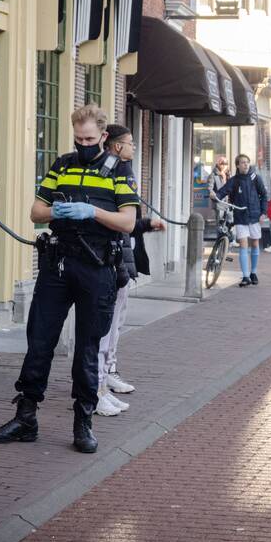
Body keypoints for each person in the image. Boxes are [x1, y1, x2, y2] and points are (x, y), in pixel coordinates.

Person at [0, 104, 139, 453]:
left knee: (87, 346)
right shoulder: (62, 165)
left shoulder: (118, 171)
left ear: (103, 136)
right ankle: (26, 417)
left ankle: (83, 421)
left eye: (89, 138)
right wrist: (58, 211)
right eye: (78, 138)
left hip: (97, 266)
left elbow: (128, 221)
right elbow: (36, 212)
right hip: (57, 263)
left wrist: (93, 212)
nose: (83, 144)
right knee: (39, 341)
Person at [94, 125, 166, 417]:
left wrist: (146, 224)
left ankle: (106, 377)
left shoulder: (125, 171)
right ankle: (96, 389)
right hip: (111, 258)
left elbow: (126, 217)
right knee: (103, 327)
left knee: (115, 324)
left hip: (123, 256)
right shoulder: (111, 172)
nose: (134, 147)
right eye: (130, 143)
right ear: (115, 146)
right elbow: (114, 219)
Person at [216, 154, 268, 287]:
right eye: (242, 162)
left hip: (255, 215)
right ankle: (245, 276)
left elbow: (264, 195)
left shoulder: (255, 178)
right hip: (240, 216)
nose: (245, 164)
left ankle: (253, 272)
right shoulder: (234, 180)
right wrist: (215, 196)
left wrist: (263, 213)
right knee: (244, 244)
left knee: (255, 244)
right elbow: (223, 191)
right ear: (237, 165)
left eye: (247, 162)